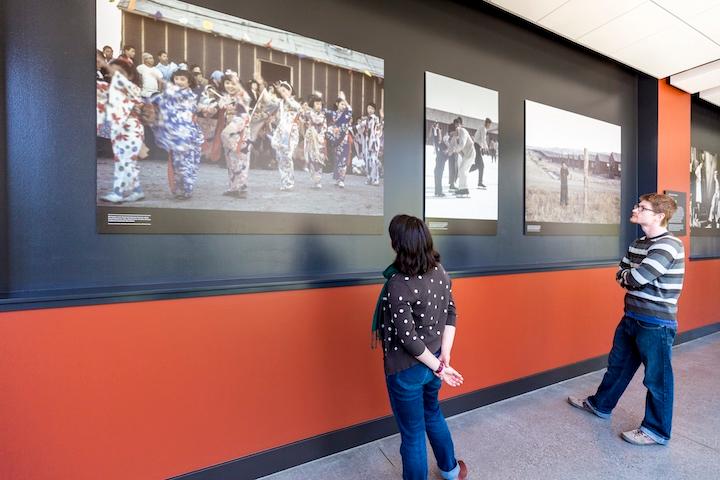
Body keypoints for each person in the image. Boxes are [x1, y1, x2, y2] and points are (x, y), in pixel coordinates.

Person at [568, 193, 685, 446]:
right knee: (618, 367)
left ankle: (656, 431)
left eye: (641, 208)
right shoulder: (638, 243)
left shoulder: (669, 245)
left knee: (657, 379)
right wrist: (630, 276)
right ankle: (600, 405)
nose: (635, 209)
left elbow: (636, 278)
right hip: (632, 316)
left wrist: (630, 276)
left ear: (658, 215)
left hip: (656, 323)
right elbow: (621, 273)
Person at [372, 214, 468, 480]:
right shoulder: (440, 271)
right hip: (435, 361)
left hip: (408, 370)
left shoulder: (397, 284)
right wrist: (444, 357)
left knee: (413, 434)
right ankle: (450, 470)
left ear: (397, 245)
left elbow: (408, 339)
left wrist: (441, 363)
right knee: (433, 413)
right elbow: (451, 312)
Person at [151, 69, 204, 200]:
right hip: (176, 132)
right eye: (177, 79)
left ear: (189, 82)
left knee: (186, 161)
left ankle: (186, 190)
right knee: (177, 162)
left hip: (187, 132)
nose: (179, 82)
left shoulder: (190, 95)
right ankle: (180, 188)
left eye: (182, 79)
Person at [99, 58, 146, 203]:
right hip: (123, 128)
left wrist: (103, 62)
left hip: (130, 127)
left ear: (129, 75)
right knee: (126, 161)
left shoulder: (130, 87)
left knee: (124, 161)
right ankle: (137, 191)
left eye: (119, 72)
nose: (115, 74)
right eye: (113, 71)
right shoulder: (116, 88)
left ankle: (117, 192)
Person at [326, 93, 353, 188]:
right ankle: (337, 178)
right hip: (336, 139)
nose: (344, 106)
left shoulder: (347, 114)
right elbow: (325, 112)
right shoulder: (333, 114)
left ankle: (342, 179)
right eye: (341, 104)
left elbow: (350, 109)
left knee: (343, 159)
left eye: (344, 104)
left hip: (344, 139)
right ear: (337, 104)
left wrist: (344, 99)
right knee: (337, 158)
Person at [301, 95, 328, 189]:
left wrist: (321, 135)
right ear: (313, 104)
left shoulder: (323, 115)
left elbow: (325, 127)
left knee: (319, 159)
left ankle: (318, 180)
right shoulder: (308, 113)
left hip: (320, 139)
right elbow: (302, 120)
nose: (319, 106)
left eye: (320, 104)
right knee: (312, 159)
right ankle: (315, 178)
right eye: (317, 104)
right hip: (311, 139)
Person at [448, 117, 475, 197]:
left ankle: (464, 189)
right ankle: (462, 189)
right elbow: (452, 146)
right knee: (461, 170)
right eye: (452, 134)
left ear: (458, 127)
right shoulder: (455, 136)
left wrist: (454, 150)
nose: (453, 134)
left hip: (470, 153)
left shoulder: (463, 131)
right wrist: (449, 152)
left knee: (463, 170)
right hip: (465, 155)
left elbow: (462, 145)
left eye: (453, 133)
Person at [470, 117, 491, 188]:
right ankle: (479, 182)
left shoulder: (482, 128)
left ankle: (463, 172)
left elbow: (481, 140)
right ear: (487, 123)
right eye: (489, 124)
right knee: (481, 165)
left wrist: (484, 148)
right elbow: (483, 139)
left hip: (477, 147)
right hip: (476, 147)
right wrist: (487, 148)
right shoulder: (483, 129)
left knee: (478, 165)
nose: (489, 126)